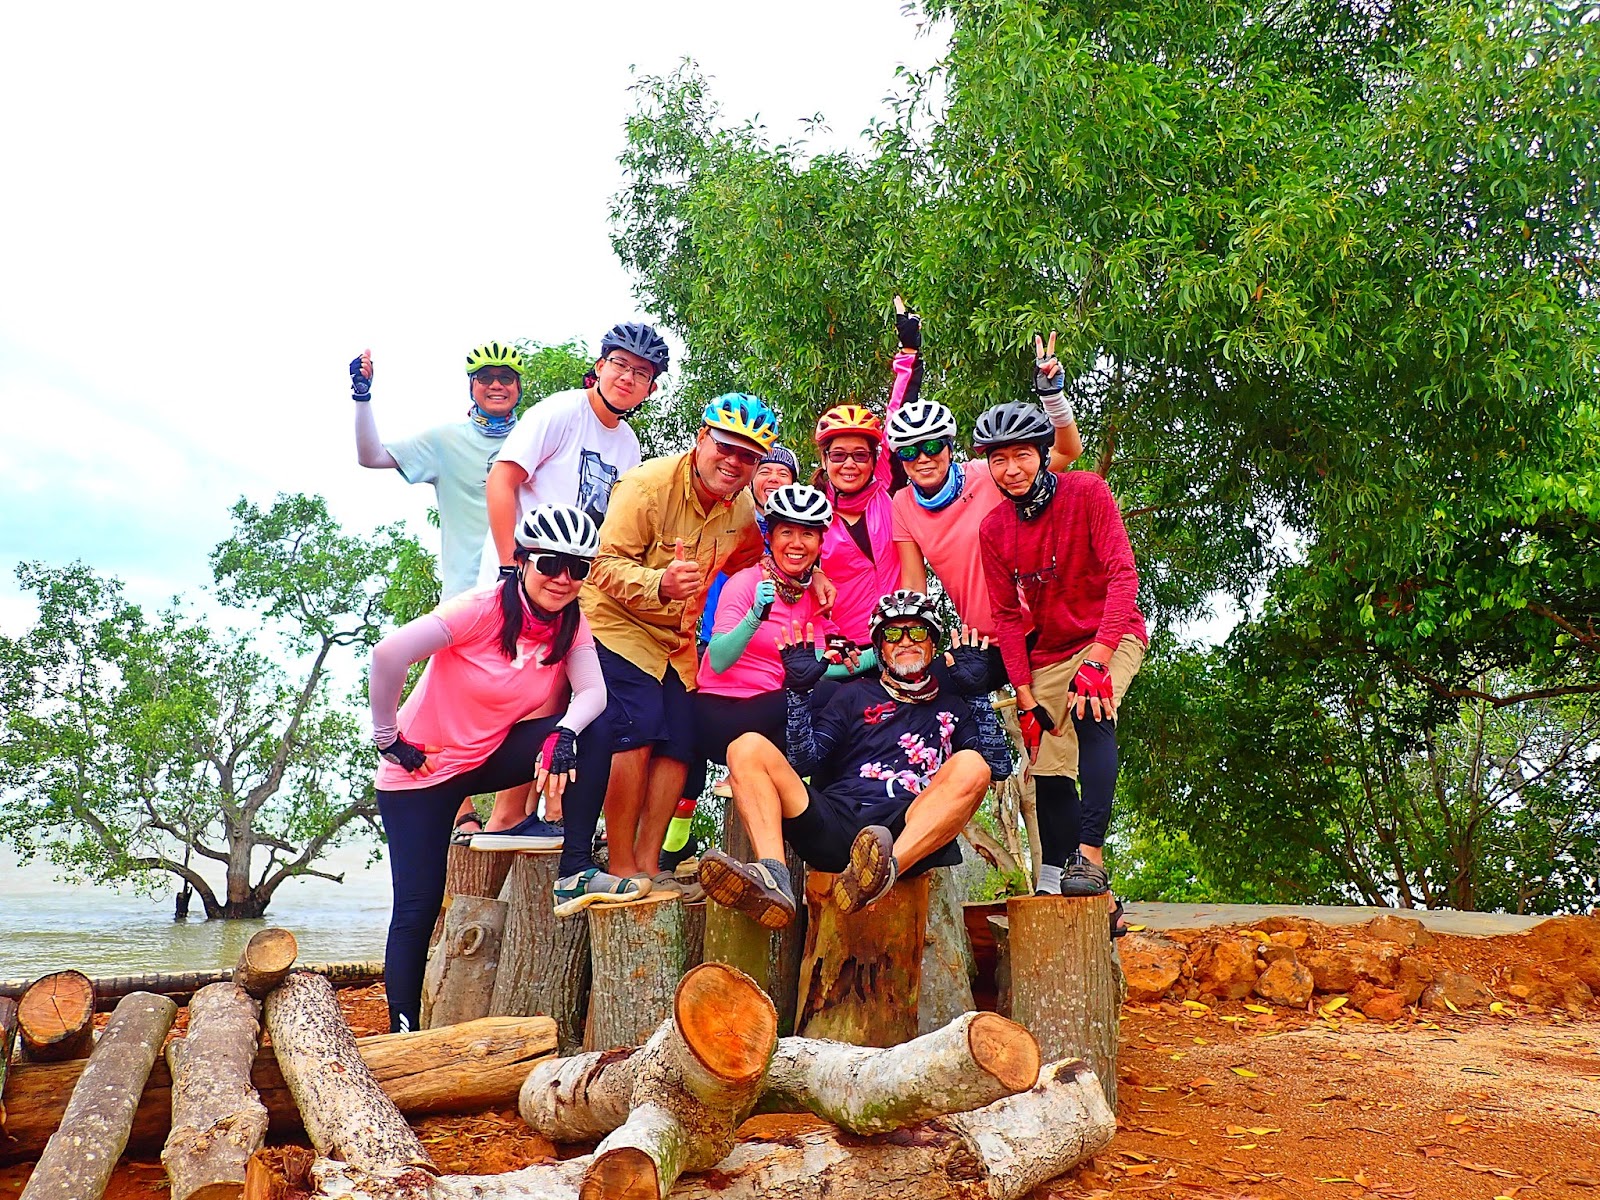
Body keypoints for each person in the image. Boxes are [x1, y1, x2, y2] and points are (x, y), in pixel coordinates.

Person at [368, 504, 638, 1034]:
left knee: (597, 727)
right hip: (421, 772)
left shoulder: (570, 622)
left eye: (578, 568)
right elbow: (387, 655)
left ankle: (574, 870)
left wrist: (563, 733)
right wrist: (389, 739)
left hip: (487, 758)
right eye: (550, 564)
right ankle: (403, 1029)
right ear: (522, 561)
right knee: (418, 907)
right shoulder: (480, 609)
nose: (563, 579)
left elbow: (593, 694)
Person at [583, 392, 821, 892]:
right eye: (726, 447)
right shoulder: (646, 486)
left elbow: (756, 558)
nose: (734, 462)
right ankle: (620, 865)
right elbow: (600, 565)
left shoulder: (742, 508)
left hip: (677, 639)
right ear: (701, 439)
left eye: (748, 456)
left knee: (681, 740)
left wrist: (810, 574)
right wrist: (659, 583)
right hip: (619, 625)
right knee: (638, 729)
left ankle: (650, 863)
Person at [697, 591, 1012, 928]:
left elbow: (997, 768)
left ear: (933, 643)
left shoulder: (954, 706)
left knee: (972, 764)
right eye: (893, 633)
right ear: (879, 648)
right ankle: (773, 878)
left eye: (917, 631)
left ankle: (880, 875)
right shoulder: (853, 694)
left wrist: (978, 696)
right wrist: (799, 694)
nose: (906, 641)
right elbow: (805, 763)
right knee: (744, 747)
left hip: (905, 834)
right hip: (835, 824)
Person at [470, 323, 668, 847]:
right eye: (620, 364)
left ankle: (527, 816)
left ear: (650, 388)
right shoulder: (561, 412)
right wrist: (509, 566)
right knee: (526, 692)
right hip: (524, 573)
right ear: (599, 366)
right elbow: (503, 480)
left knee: (557, 692)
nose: (627, 377)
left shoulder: (628, 445)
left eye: (641, 373)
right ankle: (503, 817)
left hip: (570, 585)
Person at [976, 401, 1148, 901]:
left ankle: (1090, 860)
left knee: (1092, 707)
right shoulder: (994, 529)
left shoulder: (1086, 491)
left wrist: (1098, 660)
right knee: (1049, 767)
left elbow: (1123, 575)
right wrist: (1024, 694)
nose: (1011, 469)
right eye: (999, 459)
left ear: (1043, 453)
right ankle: (1073, 890)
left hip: (1110, 632)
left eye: (1022, 456)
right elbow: (1007, 617)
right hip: (1049, 652)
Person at [890, 328, 1084, 691]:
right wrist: (903, 646)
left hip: (1041, 626)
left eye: (932, 446)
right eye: (909, 452)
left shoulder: (986, 474)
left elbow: (1067, 452)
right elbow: (915, 586)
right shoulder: (902, 504)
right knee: (928, 696)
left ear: (949, 447)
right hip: (986, 644)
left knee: (1066, 715)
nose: (922, 458)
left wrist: (1053, 398)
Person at [694, 483, 865, 761]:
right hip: (723, 710)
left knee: (847, 706)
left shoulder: (811, 595)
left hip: (774, 710)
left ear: (820, 544)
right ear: (770, 538)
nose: (796, 543)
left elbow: (818, 667)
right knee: (833, 696)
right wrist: (754, 617)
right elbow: (717, 661)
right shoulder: (746, 582)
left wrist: (885, 654)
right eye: (787, 532)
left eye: (807, 534)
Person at [349, 342, 525, 602]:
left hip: (524, 595)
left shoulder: (535, 439)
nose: (496, 385)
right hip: (463, 598)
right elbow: (371, 456)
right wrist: (362, 396)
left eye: (506, 378)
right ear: (471, 386)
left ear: (519, 387)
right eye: (485, 377)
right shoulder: (445, 440)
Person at [810, 302, 923, 644]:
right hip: (842, 649)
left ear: (874, 460)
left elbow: (899, 413)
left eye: (860, 455)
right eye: (838, 455)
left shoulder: (887, 490)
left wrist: (908, 352)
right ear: (824, 459)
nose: (849, 464)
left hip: (899, 639)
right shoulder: (812, 514)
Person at [698, 444, 799, 650]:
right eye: (764, 471)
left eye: (783, 473)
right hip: (718, 640)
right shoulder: (725, 517)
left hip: (776, 649)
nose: (773, 478)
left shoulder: (803, 536)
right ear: (751, 480)